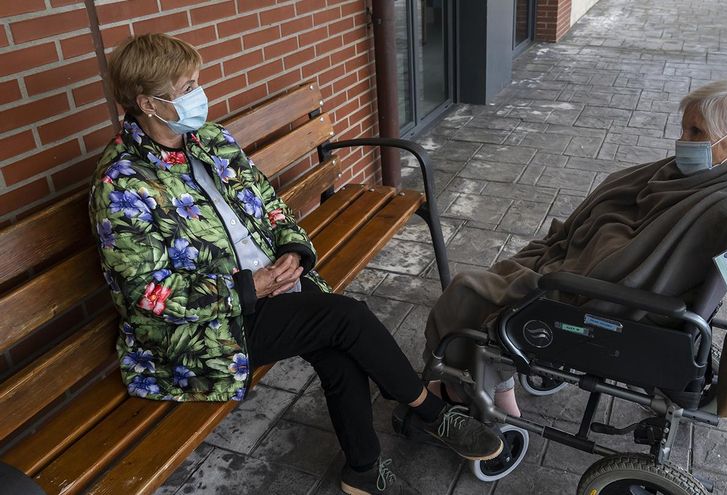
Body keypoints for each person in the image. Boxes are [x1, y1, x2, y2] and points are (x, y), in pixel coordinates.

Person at [89, 33, 502, 495]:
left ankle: (364, 470)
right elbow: (146, 296)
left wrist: (292, 250)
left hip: (270, 285)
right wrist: (252, 287)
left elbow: (270, 204)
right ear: (148, 103)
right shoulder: (122, 184)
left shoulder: (210, 139)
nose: (198, 95)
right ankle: (428, 411)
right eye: (186, 88)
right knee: (347, 319)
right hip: (206, 329)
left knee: (339, 346)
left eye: (196, 83)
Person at [423, 79, 727, 417]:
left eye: (696, 132)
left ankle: (475, 392)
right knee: (513, 270)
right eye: (684, 129)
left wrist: (594, 240)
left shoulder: (720, 210)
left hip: (611, 304)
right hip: (617, 275)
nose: (681, 142)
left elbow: (630, 273)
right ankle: (489, 381)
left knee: (467, 290)